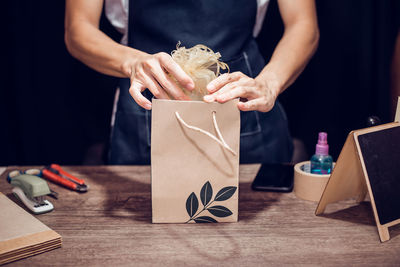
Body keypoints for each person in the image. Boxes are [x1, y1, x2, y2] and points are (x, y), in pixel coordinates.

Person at [65, 0, 319, 165]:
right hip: (146, 107)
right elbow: (78, 29)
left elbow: (303, 24)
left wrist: (270, 82)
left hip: (242, 104)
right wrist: (132, 63)